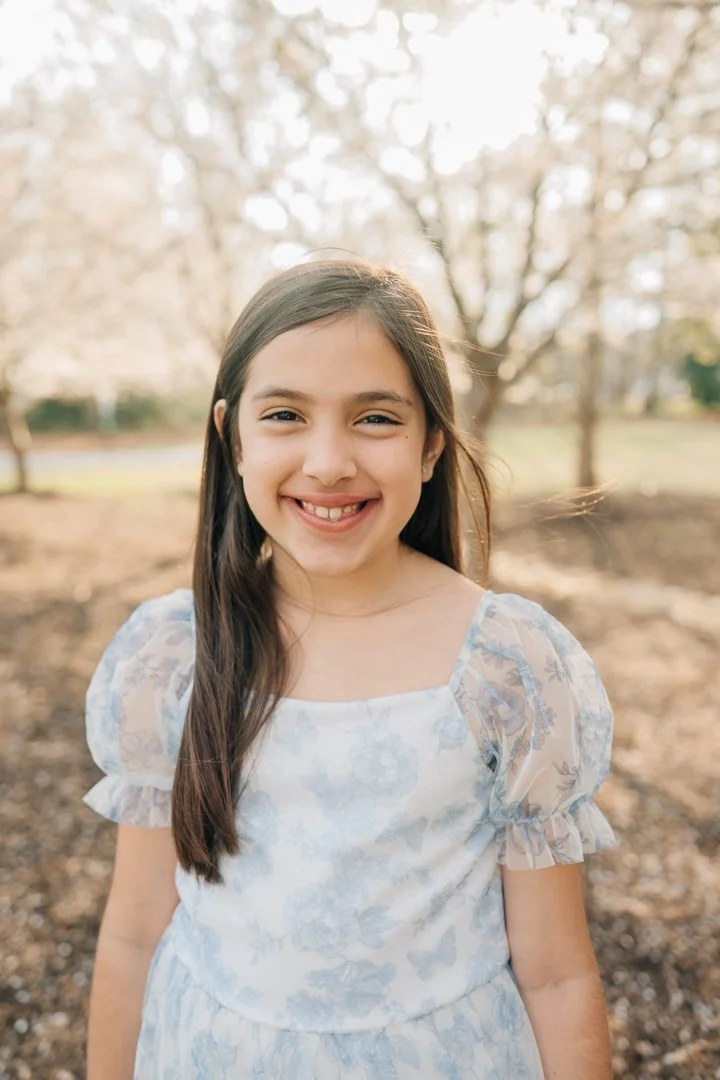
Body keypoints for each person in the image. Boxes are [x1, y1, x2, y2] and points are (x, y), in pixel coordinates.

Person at [82, 259, 616, 1080]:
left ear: (432, 443)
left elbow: (556, 972)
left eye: (375, 418)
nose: (328, 462)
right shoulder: (174, 654)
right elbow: (132, 933)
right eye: (285, 415)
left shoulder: (507, 665)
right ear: (232, 437)